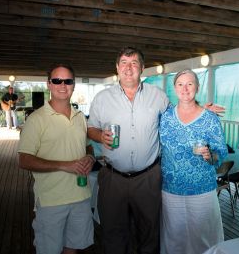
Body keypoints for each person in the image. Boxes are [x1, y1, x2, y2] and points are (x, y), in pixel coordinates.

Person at [87, 47, 224, 254]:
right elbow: (91, 129)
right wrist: (100, 136)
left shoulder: (158, 97)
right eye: (124, 62)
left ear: (142, 68)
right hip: (113, 177)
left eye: (134, 63)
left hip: (148, 179)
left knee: (150, 233)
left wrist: (202, 110)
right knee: (113, 233)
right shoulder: (101, 98)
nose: (128, 67)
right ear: (117, 67)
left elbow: (183, 108)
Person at [18, 63, 95, 254]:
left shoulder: (80, 117)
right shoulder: (36, 119)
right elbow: (24, 160)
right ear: (49, 84)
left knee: (73, 249)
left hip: (82, 197)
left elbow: (88, 148)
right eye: (57, 80)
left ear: (74, 85)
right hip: (51, 201)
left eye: (68, 81)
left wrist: (90, 159)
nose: (63, 85)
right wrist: (64, 165)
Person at [159, 69, 227, 254]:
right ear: (174, 88)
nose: (185, 88)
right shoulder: (165, 118)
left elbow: (220, 152)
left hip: (202, 190)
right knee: (174, 238)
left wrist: (210, 155)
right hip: (171, 189)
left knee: (204, 238)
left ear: (197, 87)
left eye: (190, 84)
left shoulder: (210, 119)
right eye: (180, 84)